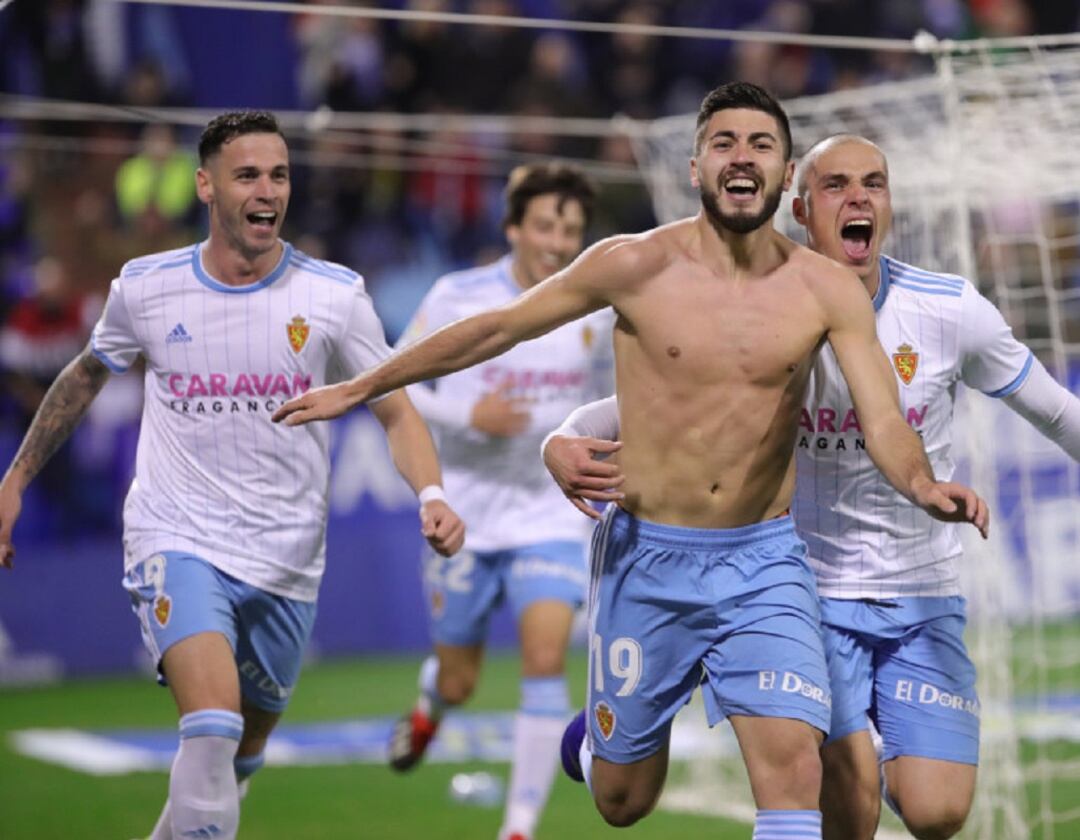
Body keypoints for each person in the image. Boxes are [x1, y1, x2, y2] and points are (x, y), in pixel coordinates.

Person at [271, 84, 988, 840]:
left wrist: (922, 485)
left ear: (784, 178)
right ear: (695, 168)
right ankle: (609, 733)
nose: (741, 157)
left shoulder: (825, 289)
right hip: (649, 560)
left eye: (761, 145)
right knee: (622, 801)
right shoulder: (634, 265)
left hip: (765, 562)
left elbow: (883, 417)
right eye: (724, 143)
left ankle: (726, 668)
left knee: (793, 774)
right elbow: (497, 329)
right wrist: (364, 383)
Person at [540, 134, 1080, 840]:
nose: (858, 198)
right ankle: (705, 681)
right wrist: (558, 440)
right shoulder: (767, 310)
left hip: (922, 593)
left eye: (874, 184)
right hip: (806, 593)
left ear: (888, 205)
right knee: (847, 815)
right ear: (799, 207)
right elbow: (629, 408)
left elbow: (1056, 410)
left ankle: (704, 674)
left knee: (937, 810)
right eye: (836, 185)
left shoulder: (950, 311)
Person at [0, 111, 465, 840]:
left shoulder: (335, 296)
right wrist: (15, 481)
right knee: (212, 724)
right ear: (206, 186)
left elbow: (397, 411)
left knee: (236, 760)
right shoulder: (147, 288)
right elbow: (85, 377)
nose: (267, 189)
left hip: (285, 560)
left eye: (279, 174)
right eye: (247, 174)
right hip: (175, 534)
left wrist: (432, 494)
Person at [387, 163, 613, 840]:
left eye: (571, 229)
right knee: (459, 680)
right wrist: (466, 413)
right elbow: (395, 386)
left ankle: (517, 830)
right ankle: (431, 707)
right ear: (513, 228)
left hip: (550, 512)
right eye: (545, 225)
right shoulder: (458, 297)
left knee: (546, 660)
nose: (557, 241)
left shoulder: (596, 309)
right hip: (466, 514)